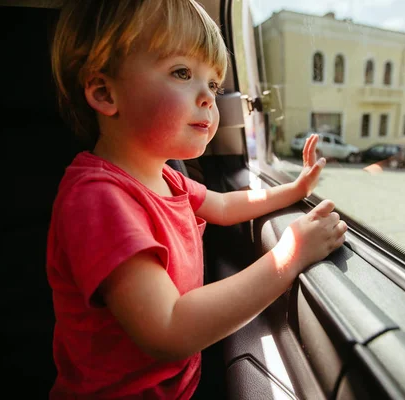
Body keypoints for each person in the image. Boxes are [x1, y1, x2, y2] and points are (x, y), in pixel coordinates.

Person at [47, 0, 347, 398]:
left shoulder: (165, 177)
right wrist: (289, 255)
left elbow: (224, 205)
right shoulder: (98, 199)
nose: (208, 97)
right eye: (182, 72)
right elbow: (169, 328)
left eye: (214, 84)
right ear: (105, 92)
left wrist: (295, 190)